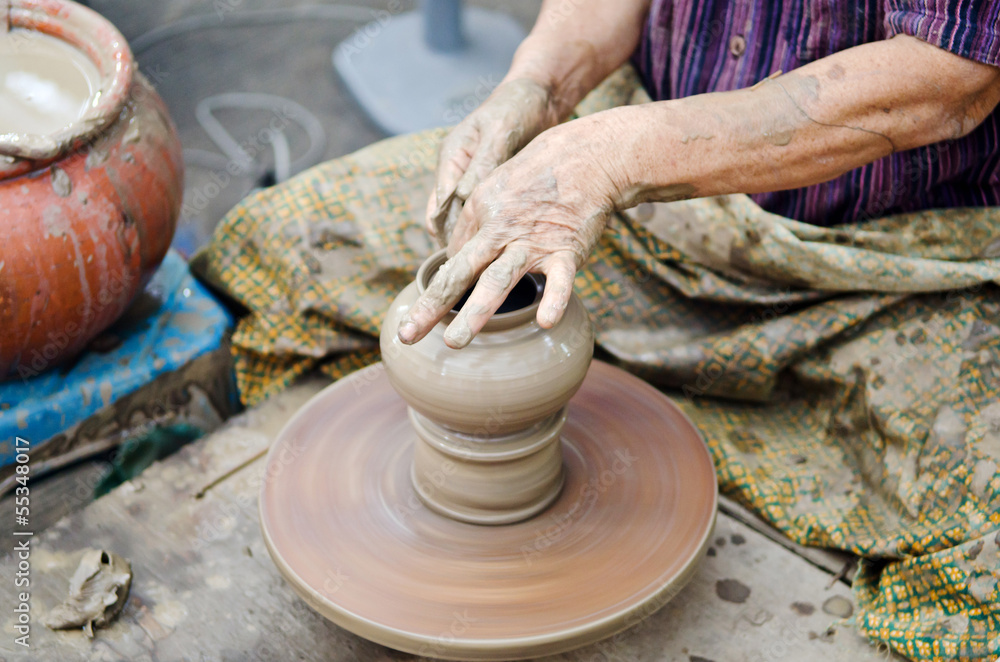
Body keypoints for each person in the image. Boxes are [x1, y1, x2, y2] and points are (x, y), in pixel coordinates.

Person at [396, 0, 1000, 349]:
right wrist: (539, 83)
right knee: (305, 237)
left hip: (882, 264)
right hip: (629, 208)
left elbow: (949, 81)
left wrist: (613, 156)